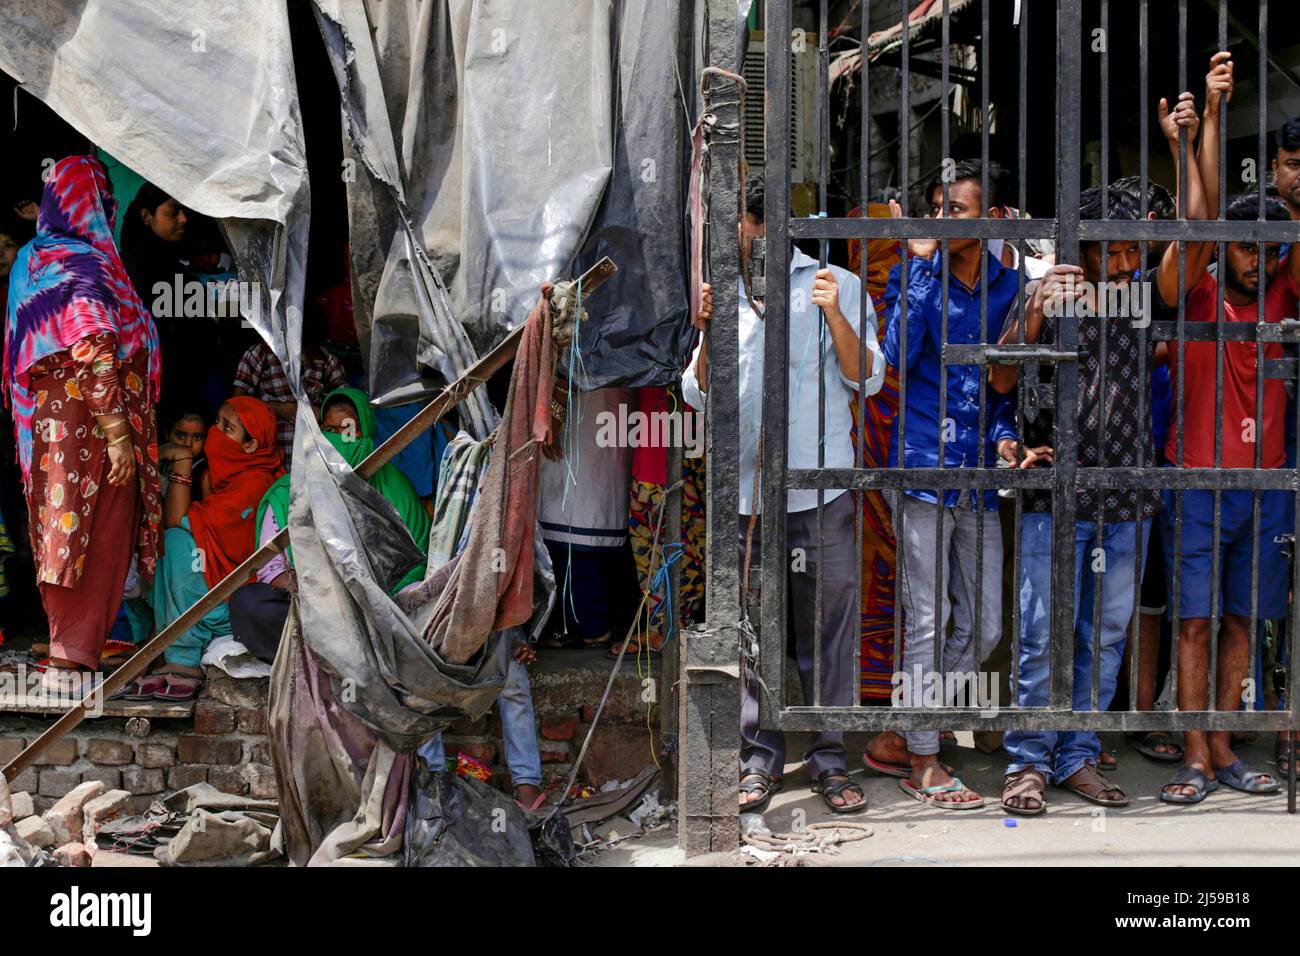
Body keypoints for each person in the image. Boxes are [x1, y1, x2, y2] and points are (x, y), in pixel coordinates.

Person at [683, 175, 885, 815]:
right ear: (740, 228)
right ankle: (760, 759)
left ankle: (829, 760)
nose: (759, 235)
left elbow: (868, 379)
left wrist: (833, 314)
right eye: (751, 223)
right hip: (748, 499)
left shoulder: (837, 286)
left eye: (771, 224)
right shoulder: (727, 293)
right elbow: (696, 395)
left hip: (821, 493)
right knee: (755, 634)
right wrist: (706, 333)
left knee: (827, 629)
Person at [880, 159, 1043, 811]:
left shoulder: (1009, 288)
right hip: (922, 463)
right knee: (927, 616)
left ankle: (904, 726)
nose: (945, 218)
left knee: (982, 625)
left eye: (958, 208)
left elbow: (1005, 385)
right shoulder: (912, 272)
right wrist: (919, 264)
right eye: (938, 206)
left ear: (988, 216)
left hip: (978, 473)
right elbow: (895, 354)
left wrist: (1006, 433)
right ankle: (922, 757)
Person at [1155, 191, 1298, 803]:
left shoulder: (1285, 295)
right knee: (1191, 623)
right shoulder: (1196, 293)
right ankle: (1194, 753)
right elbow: (1197, 226)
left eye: (1271, 252)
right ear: (1221, 246)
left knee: (1242, 618)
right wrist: (1208, 119)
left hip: (1264, 484)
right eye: (1246, 247)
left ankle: (1220, 745)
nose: (1259, 262)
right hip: (1194, 481)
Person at [3, 155, 161, 693]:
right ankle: (73, 657)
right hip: (92, 425)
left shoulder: (32, 258)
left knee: (59, 527)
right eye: (103, 199)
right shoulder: (85, 262)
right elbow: (94, 348)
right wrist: (118, 435)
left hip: (48, 426)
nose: (109, 209)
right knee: (97, 530)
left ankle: (65, 644)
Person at [229, 387, 431, 664]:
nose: (339, 438)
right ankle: (333, 659)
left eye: (349, 429)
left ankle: (350, 658)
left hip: (381, 607)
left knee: (428, 608)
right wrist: (314, 590)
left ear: (367, 431)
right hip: (313, 607)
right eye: (329, 430)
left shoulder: (395, 488)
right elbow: (271, 567)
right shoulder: (288, 490)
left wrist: (366, 597)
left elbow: (416, 560)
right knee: (250, 603)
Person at [124, 396, 283, 701]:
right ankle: (158, 643)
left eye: (227, 427)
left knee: (175, 543)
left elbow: (177, 521)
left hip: (234, 604)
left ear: (250, 445)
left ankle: (183, 658)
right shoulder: (225, 475)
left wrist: (182, 460)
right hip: (218, 591)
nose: (215, 432)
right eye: (218, 422)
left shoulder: (254, 483)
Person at [232, 312, 346, 467]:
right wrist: (277, 408)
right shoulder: (260, 355)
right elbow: (235, 406)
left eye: (309, 350)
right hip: (269, 458)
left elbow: (347, 403)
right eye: (300, 349)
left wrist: (323, 411)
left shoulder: (325, 359)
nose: (304, 357)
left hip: (316, 457)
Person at [159, 411, 207, 498]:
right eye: (180, 435)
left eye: (197, 437)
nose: (188, 443)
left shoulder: (204, 473)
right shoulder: (160, 461)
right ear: (167, 434)